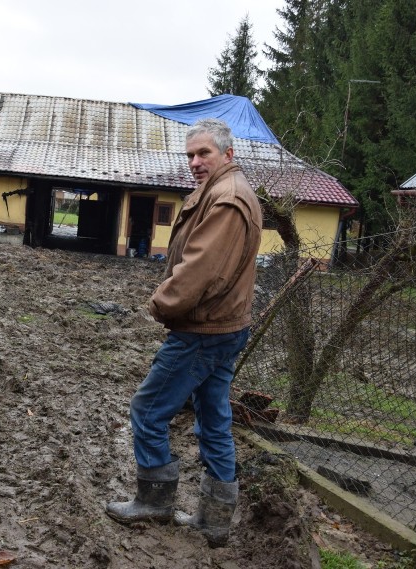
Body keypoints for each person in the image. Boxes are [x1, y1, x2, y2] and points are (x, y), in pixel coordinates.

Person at [106, 118, 262, 547]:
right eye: (190, 155)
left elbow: (200, 269)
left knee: (148, 409)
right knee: (213, 420)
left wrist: (162, 303)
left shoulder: (227, 200)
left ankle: (155, 501)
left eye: (203, 153)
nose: (194, 162)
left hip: (203, 330)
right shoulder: (222, 191)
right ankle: (214, 521)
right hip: (224, 326)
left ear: (227, 154)